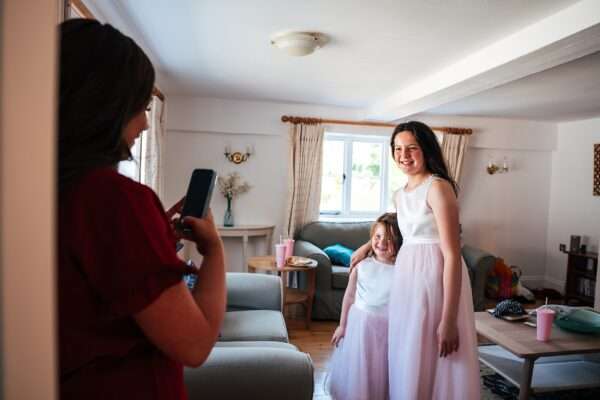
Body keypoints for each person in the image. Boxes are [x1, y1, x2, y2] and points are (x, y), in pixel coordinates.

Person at [58, 19, 226, 399]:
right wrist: (213, 251)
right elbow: (195, 345)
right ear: (106, 104)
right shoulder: (117, 198)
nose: (146, 123)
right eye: (142, 106)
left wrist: (152, 240)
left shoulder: (51, 188)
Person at [351, 121, 480, 399]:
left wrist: (449, 320)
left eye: (411, 148)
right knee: (409, 347)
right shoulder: (401, 194)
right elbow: (404, 226)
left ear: (426, 150)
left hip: (435, 278)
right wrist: (366, 247)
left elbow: (452, 254)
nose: (403, 155)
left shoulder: (439, 187)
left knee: (436, 347)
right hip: (408, 278)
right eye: (397, 149)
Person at [327, 213, 402, 400]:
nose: (382, 242)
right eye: (377, 237)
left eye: (389, 238)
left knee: (382, 369)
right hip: (360, 328)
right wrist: (342, 325)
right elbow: (350, 295)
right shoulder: (362, 265)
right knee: (360, 366)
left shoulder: (403, 270)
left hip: (388, 331)